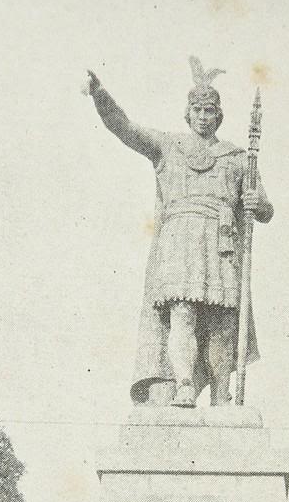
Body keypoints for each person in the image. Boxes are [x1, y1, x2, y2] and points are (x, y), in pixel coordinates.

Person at [86, 59, 273, 408]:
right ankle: (185, 384)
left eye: (210, 111)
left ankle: (220, 392)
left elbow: (265, 209)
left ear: (219, 116)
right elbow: (124, 127)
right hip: (179, 242)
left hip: (221, 243)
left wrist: (255, 202)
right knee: (181, 313)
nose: (203, 116)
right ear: (187, 114)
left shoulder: (236, 158)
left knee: (220, 321)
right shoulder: (167, 146)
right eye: (197, 110)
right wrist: (100, 94)